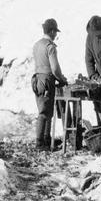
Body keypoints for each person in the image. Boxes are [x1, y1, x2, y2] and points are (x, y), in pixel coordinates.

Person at [32, 18, 69, 150]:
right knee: (44, 112)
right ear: (52, 31)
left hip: (37, 79)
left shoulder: (37, 45)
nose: (56, 35)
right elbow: (54, 68)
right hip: (47, 79)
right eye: (55, 32)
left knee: (47, 110)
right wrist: (62, 79)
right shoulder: (50, 46)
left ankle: (47, 139)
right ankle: (40, 142)